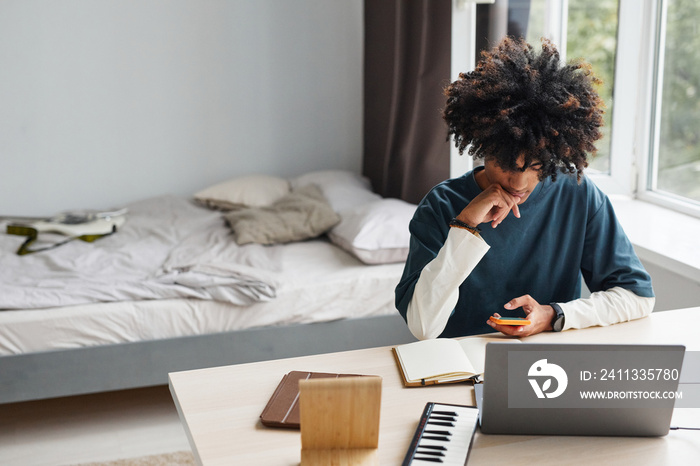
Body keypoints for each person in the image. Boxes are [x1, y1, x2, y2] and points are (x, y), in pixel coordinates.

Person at [394, 37, 654, 340]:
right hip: (460, 368)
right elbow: (423, 327)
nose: (518, 184)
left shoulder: (579, 196)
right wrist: (464, 227)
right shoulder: (441, 205)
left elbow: (638, 297)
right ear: (483, 146)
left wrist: (555, 315)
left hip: (549, 364)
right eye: (506, 163)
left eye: (536, 166)